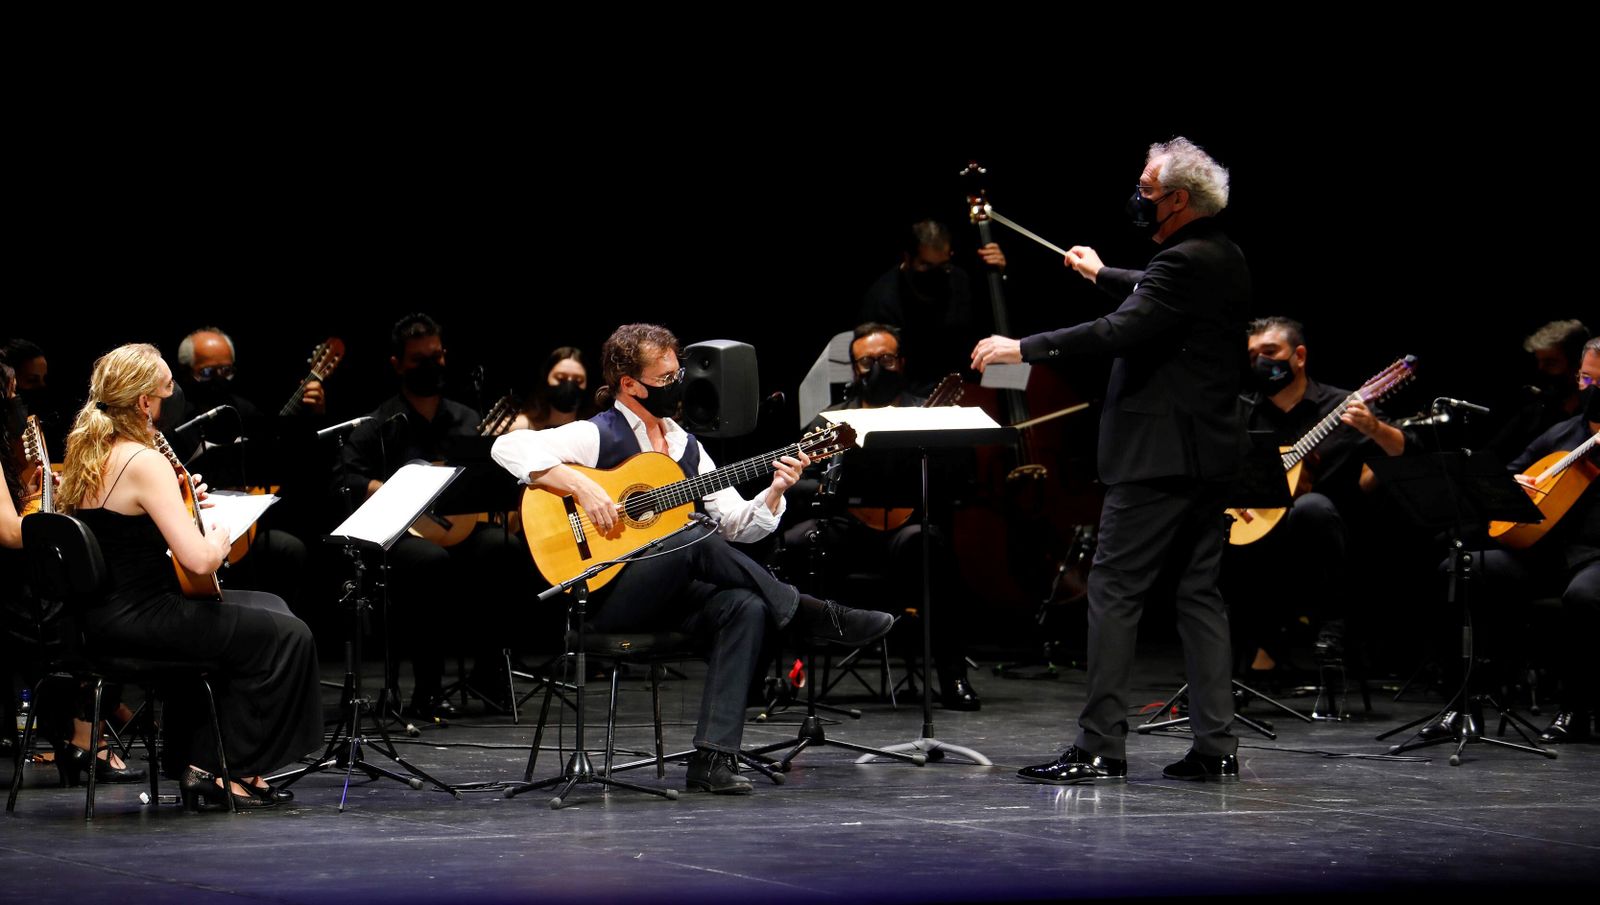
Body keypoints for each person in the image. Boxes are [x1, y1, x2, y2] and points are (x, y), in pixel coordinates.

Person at [492, 323, 893, 794]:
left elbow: (737, 526)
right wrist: (581, 486)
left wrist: (775, 489)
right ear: (630, 385)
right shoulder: (596, 435)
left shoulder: (685, 446)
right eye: (665, 379)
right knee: (694, 536)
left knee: (746, 606)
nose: (676, 386)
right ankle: (811, 614)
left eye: (677, 374)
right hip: (604, 597)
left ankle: (713, 760)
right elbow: (506, 446)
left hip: (670, 596)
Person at [972, 136, 1249, 784]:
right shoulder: (1222, 254)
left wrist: (1022, 347)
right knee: (1199, 597)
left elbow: (1119, 329)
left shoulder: (1182, 263)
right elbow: (1154, 290)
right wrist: (1099, 273)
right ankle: (1217, 745)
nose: (1139, 198)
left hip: (1156, 458)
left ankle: (1100, 746)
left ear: (1176, 200)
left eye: (1147, 190)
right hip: (1209, 457)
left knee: (1114, 591)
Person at [56, 343, 322, 809]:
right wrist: (219, 536)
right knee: (289, 634)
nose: (172, 397)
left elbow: (127, 533)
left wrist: (180, 502)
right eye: (166, 389)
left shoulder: (88, 452)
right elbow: (199, 562)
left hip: (101, 618)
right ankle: (222, 768)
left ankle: (198, 757)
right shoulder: (144, 460)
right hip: (141, 618)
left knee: (271, 607)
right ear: (144, 403)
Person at [337, 313, 528, 718]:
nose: (432, 365)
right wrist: (397, 491)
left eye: (436, 356)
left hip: (459, 530)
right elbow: (347, 478)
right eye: (419, 360)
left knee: (504, 546)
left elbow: (491, 480)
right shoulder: (380, 423)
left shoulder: (467, 420)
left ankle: (489, 674)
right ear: (398, 365)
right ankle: (427, 689)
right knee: (429, 561)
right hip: (403, 537)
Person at [783, 322, 980, 709]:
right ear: (854, 368)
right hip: (847, 528)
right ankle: (773, 678)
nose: (877, 368)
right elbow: (798, 480)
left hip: (905, 529)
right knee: (789, 545)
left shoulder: (925, 412)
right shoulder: (832, 419)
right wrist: (828, 488)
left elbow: (963, 479)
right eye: (867, 361)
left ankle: (953, 676)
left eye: (886, 359)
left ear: (901, 362)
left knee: (929, 544)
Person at [1226, 316, 1413, 673]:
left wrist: (1374, 428)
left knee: (1311, 507)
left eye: (1270, 352)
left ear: (1298, 356)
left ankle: (1332, 628)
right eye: (1253, 356)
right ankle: (1245, 648)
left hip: (1332, 528)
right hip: (1258, 528)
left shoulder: (1343, 405)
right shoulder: (1245, 412)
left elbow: (1404, 450)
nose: (1260, 362)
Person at [860, 221, 1005, 392]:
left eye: (943, 266)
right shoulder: (882, 301)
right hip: (912, 392)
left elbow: (988, 329)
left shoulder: (959, 280)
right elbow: (884, 371)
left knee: (1017, 373)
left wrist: (999, 275)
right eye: (925, 265)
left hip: (964, 383)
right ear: (908, 258)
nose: (935, 274)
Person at [510, 346, 593, 431]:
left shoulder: (593, 430)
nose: (569, 385)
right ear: (546, 379)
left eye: (578, 381)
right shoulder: (518, 428)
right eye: (560, 378)